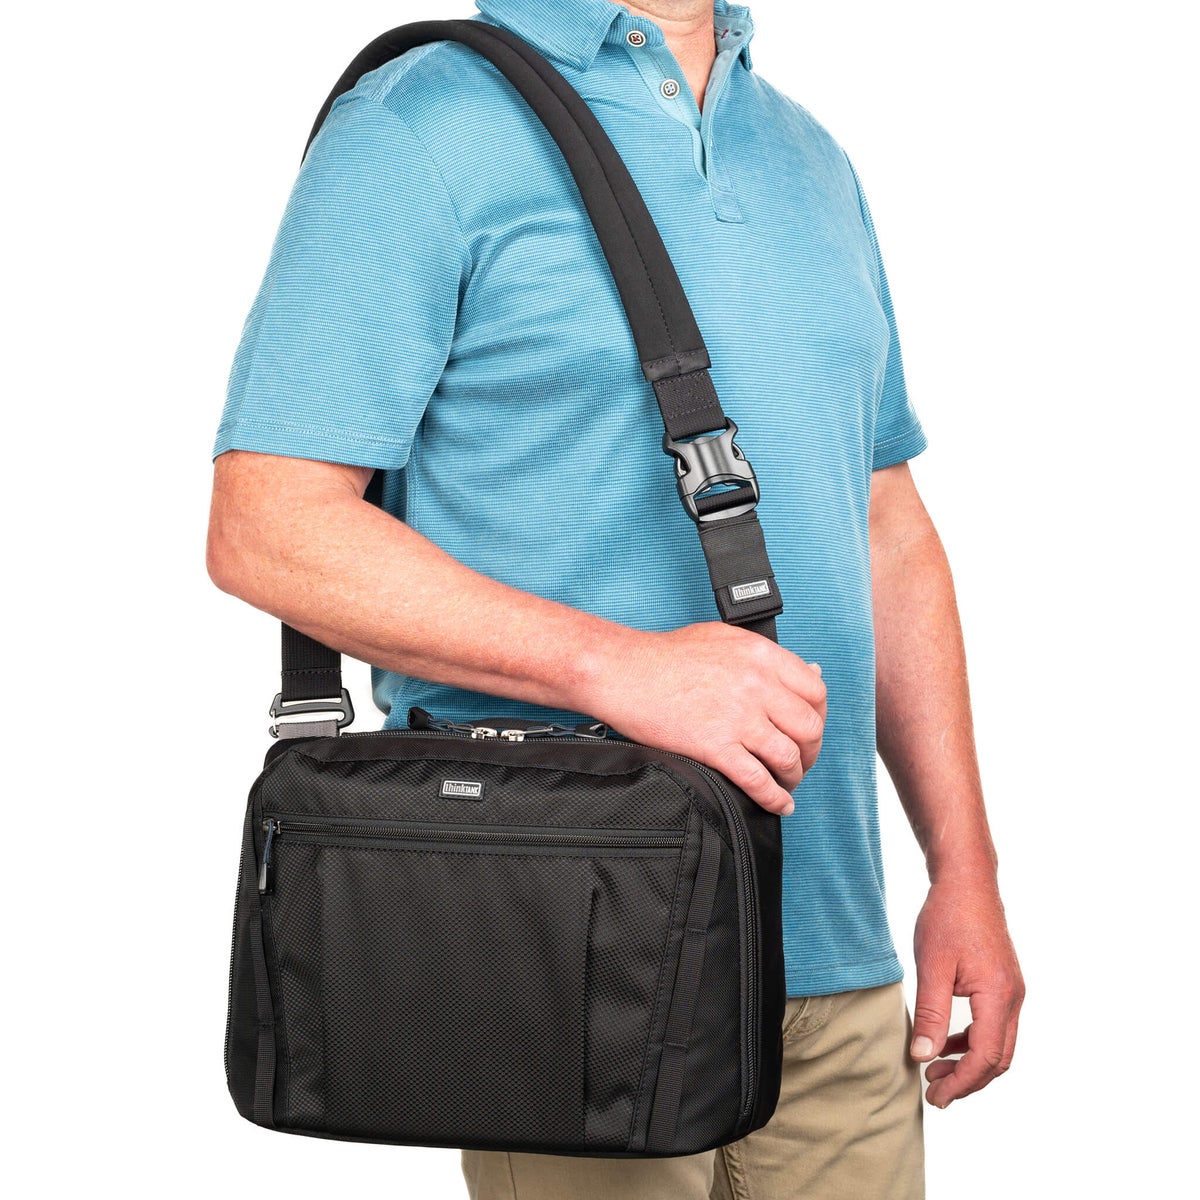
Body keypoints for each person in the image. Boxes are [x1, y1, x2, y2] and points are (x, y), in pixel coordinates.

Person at [207, 1, 1024, 1196]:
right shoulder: (421, 126)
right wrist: (615, 666)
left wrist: (964, 868)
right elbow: (267, 528)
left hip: (837, 964)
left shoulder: (808, 156)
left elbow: (885, 526)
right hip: (575, 951)